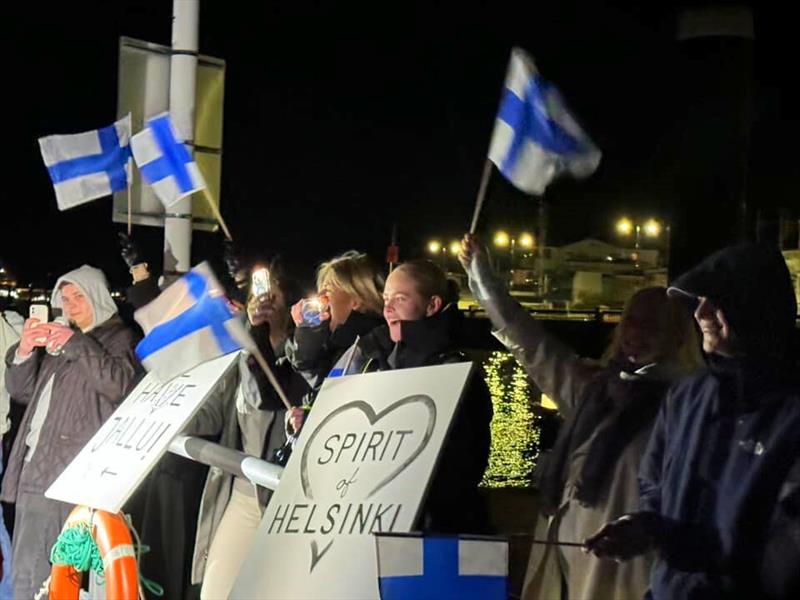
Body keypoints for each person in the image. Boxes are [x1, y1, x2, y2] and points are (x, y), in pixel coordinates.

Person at [459, 233, 703, 600]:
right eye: (632, 321)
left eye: (652, 325)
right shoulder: (596, 391)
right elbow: (531, 344)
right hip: (566, 563)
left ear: (679, 337)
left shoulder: (686, 405)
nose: (635, 333)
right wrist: (483, 278)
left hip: (624, 574)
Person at [585, 243, 800, 599]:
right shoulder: (685, 397)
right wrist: (644, 527)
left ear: (758, 310)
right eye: (698, 302)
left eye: (718, 302)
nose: (702, 313)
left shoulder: (790, 412)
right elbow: (653, 486)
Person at [1, 265, 139, 598]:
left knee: (35, 578)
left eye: (79, 295)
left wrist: (75, 343)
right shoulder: (64, 337)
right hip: (35, 468)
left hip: (66, 474)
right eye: (65, 298)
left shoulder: (120, 337)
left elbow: (120, 386)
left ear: (98, 295)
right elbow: (22, 392)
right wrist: (23, 352)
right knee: (35, 573)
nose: (71, 304)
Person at [329, 259, 493, 533]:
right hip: (369, 518)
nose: (388, 308)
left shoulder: (453, 370)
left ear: (432, 305)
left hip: (431, 527)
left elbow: (465, 462)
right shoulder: (372, 357)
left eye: (400, 299)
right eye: (385, 299)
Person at [188, 259, 306, 600]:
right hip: (243, 492)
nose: (263, 306)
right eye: (258, 297)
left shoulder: (303, 356)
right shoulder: (241, 352)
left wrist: (257, 338)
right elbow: (214, 414)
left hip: (284, 500)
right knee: (216, 590)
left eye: (274, 299)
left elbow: (262, 397)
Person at [286, 250, 384, 395]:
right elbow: (319, 391)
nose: (320, 297)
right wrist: (307, 337)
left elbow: (335, 393)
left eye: (328, 291)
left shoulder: (375, 344)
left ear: (356, 300)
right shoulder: (331, 344)